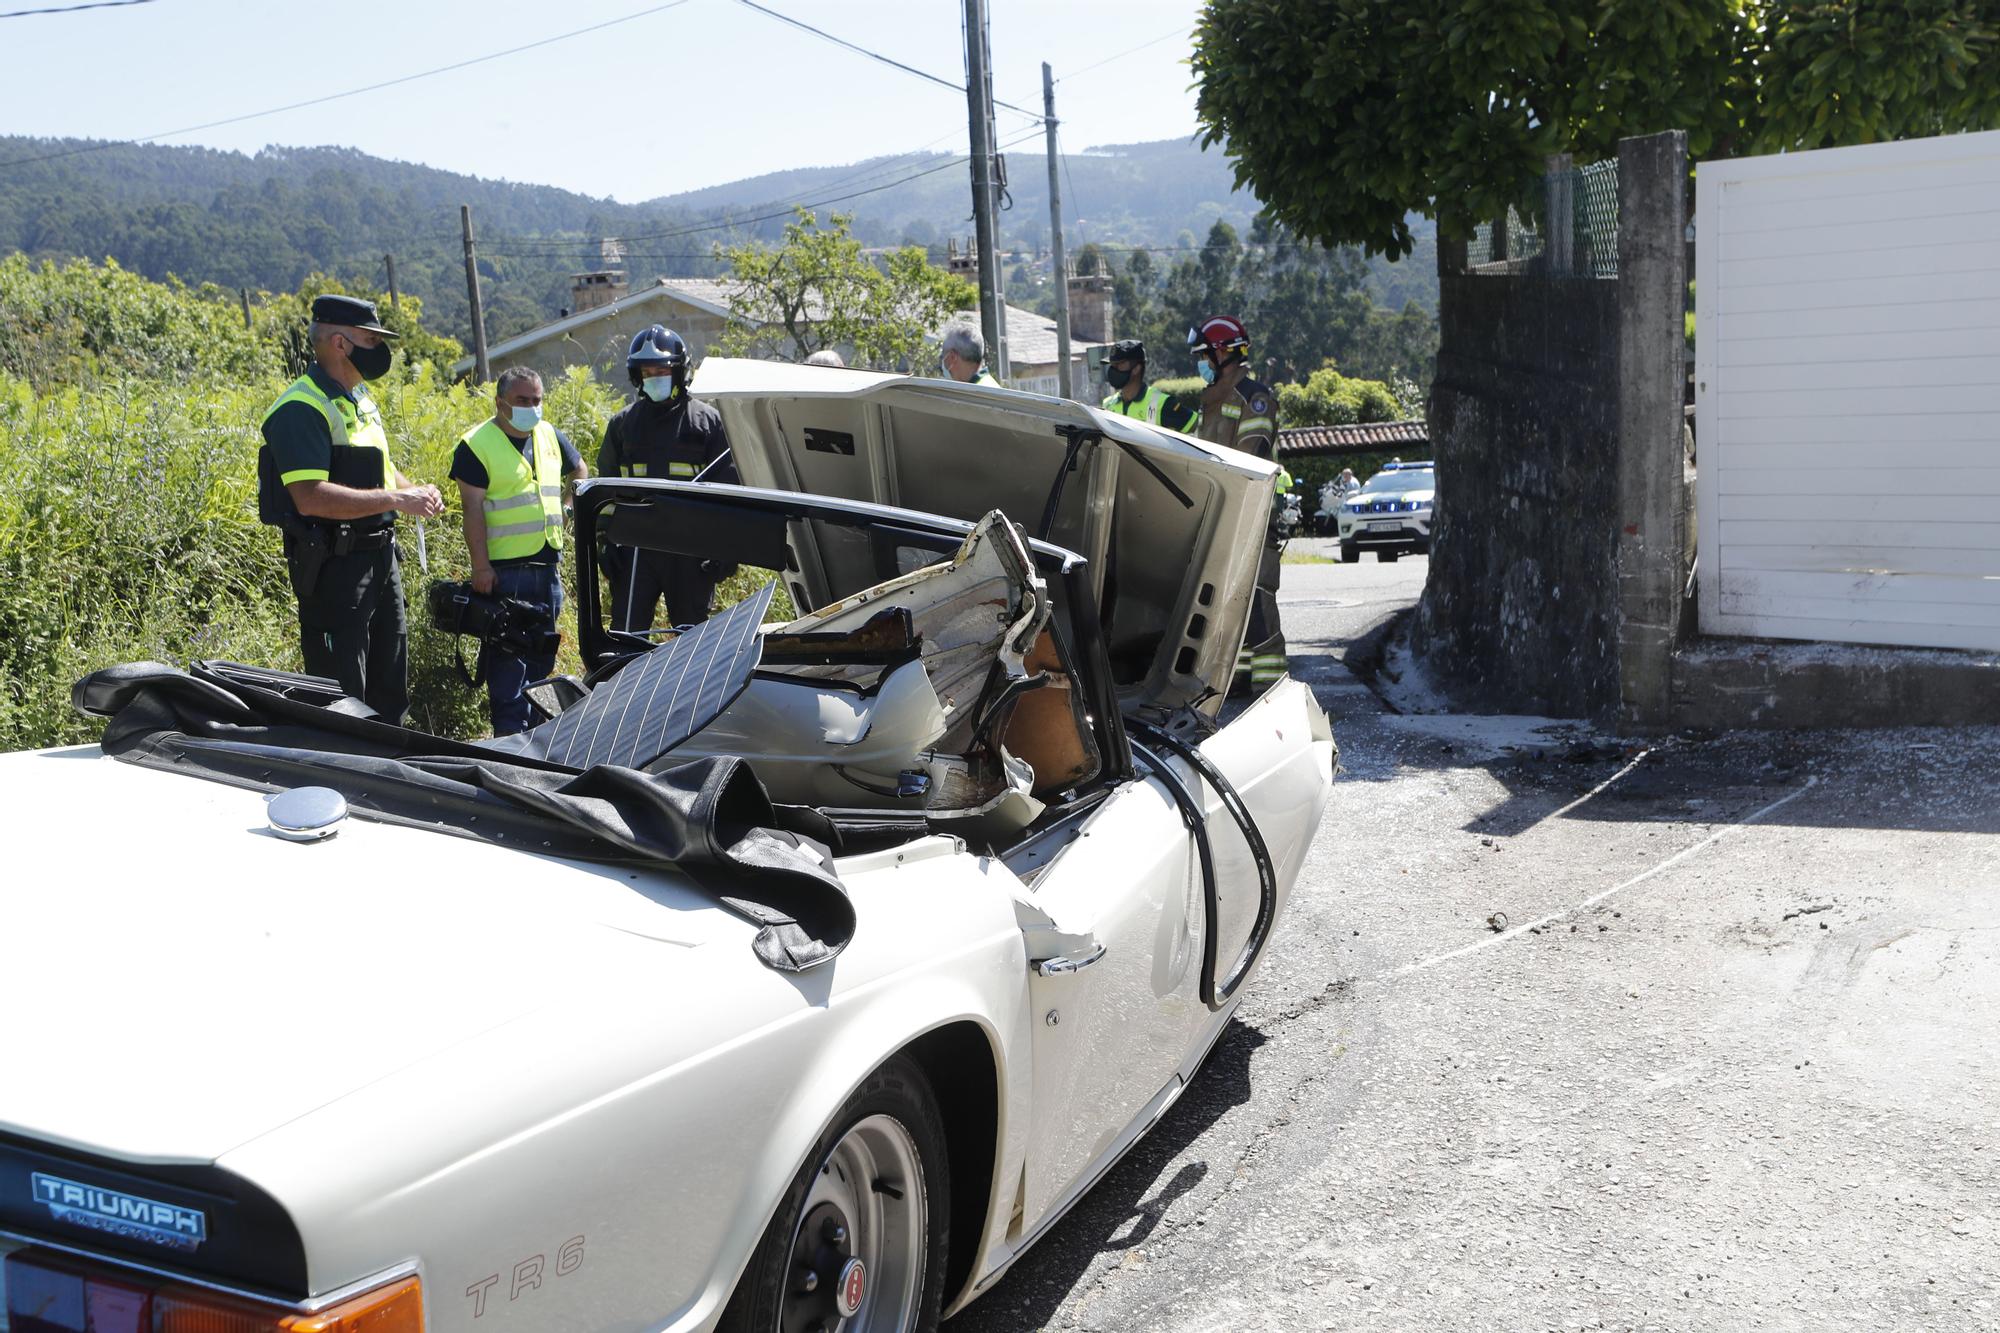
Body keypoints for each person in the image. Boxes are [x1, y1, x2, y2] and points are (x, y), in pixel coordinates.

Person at [258, 294, 442, 724]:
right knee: (341, 698)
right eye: (371, 339)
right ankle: (343, 782)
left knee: (389, 687)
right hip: (335, 567)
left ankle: (389, 774)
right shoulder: (300, 407)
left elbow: (380, 469)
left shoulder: (360, 397)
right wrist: (399, 500)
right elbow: (311, 496)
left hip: (380, 558)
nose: (381, 349)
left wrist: (414, 491)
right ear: (340, 343)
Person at [450, 367, 589, 736]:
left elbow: (580, 471)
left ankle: (537, 738)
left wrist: (566, 507)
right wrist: (480, 567)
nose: (532, 407)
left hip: (547, 568)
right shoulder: (476, 445)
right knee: (508, 666)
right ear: (500, 403)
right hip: (504, 573)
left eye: (537, 400)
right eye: (522, 401)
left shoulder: (547, 435)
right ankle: (509, 742)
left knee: (541, 661)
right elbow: (472, 511)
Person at [596, 325, 735, 633]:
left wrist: (725, 548)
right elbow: (606, 488)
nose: (654, 377)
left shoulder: (707, 423)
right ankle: (624, 683)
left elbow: (728, 489)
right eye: (647, 372)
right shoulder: (623, 426)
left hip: (690, 551)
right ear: (636, 376)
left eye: (662, 369)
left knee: (692, 640)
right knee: (627, 636)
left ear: (679, 372)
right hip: (635, 550)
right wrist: (605, 543)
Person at [1187, 315, 1286, 695]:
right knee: (1230, 602)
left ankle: (1271, 680)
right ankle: (1240, 676)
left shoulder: (1255, 399)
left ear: (1223, 353)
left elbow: (1251, 458)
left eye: (1204, 356)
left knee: (1258, 598)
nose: (1200, 364)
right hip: (1222, 515)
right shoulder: (1212, 401)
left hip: (1254, 517)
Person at [1099, 338, 1198, 431]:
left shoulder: (1160, 403)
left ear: (1136, 368)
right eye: (1112, 365)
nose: (1112, 370)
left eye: (1118, 364)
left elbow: (1192, 423)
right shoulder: (1108, 404)